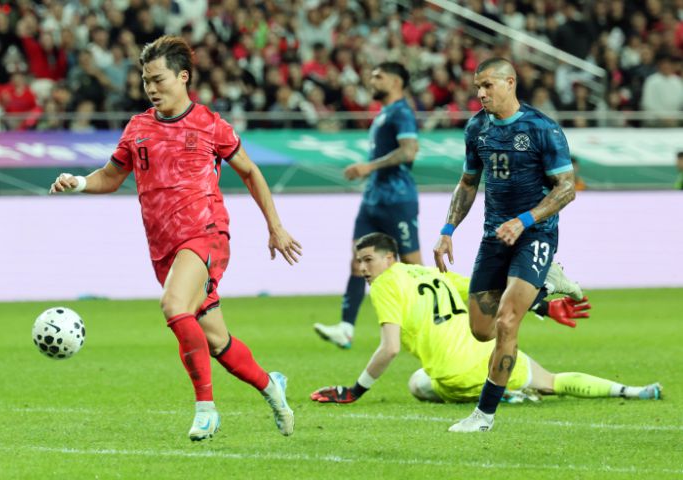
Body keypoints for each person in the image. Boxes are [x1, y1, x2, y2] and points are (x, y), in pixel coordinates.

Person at [49, 35, 302, 441]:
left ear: (183, 77)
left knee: (172, 305)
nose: (151, 88)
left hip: (206, 234)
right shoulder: (138, 128)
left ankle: (206, 410)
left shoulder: (211, 124)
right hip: (163, 247)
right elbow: (111, 177)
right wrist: (78, 182)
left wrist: (275, 225)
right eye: (145, 80)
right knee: (217, 342)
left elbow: (250, 172)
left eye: (158, 79)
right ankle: (273, 388)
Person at [310, 234, 662, 406]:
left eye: (368, 260)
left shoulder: (384, 284)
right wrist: (542, 307)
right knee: (552, 381)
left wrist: (354, 391)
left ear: (390, 258)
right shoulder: (431, 273)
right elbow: (494, 293)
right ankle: (633, 391)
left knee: (419, 384)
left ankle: (500, 395)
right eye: (359, 261)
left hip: (454, 377)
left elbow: (389, 349)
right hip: (493, 359)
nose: (362, 268)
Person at [433, 58, 578, 432]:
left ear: (510, 82)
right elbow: (468, 183)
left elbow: (566, 188)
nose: (480, 94)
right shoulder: (476, 128)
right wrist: (447, 229)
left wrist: (525, 220)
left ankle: (483, 415)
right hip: (494, 236)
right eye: (477, 87)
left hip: (535, 233)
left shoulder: (542, 128)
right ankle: (543, 289)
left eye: (487, 85)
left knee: (508, 321)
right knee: (482, 330)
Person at [314, 62, 420, 349]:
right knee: (358, 259)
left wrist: (368, 167)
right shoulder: (383, 114)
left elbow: (409, 151)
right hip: (373, 200)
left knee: (413, 264)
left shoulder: (401, 113)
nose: (372, 81)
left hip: (397, 200)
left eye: (378, 77)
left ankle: (435, 321)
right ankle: (346, 328)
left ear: (396, 82)